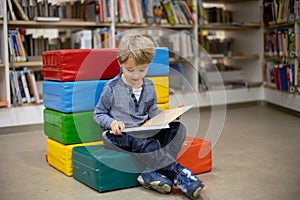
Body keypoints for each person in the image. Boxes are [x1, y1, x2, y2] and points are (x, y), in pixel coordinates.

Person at [93, 33, 204, 199]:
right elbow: (99, 113)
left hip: (142, 131)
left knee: (178, 129)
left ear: (148, 65)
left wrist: (169, 116)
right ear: (120, 63)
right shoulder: (112, 87)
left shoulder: (149, 86)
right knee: (145, 142)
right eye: (130, 69)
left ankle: (150, 173)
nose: (136, 75)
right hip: (118, 135)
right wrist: (112, 123)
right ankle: (179, 175)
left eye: (142, 69)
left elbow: (153, 111)